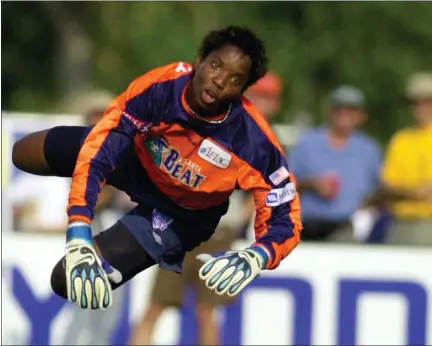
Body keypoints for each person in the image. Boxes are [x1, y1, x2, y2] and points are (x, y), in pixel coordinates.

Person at [11, 25, 302, 311]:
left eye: (235, 79)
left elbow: (286, 218)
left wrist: (258, 254)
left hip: (181, 212)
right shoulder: (162, 87)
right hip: (135, 161)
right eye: (216, 65)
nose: (220, 80)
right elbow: (100, 153)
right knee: (22, 153)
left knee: (64, 279)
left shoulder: (255, 142)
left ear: (243, 91)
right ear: (199, 60)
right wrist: (78, 228)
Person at [288, 85, 382, 242]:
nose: (344, 114)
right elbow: (283, 184)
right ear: (330, 111)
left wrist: (368, 205)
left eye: (351, 109)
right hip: (307, 225)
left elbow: (379, 190)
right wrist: (311, 184)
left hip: (349, 227)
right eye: (339, 108)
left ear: (361, 115)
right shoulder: (307, 143)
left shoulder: (369, 149)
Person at [380, 72, 432, 245]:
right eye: (416, 103)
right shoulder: (401, 140)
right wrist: (415, 192)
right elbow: (387, 186)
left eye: (427, 101)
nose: (421, 107)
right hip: (400, 222)